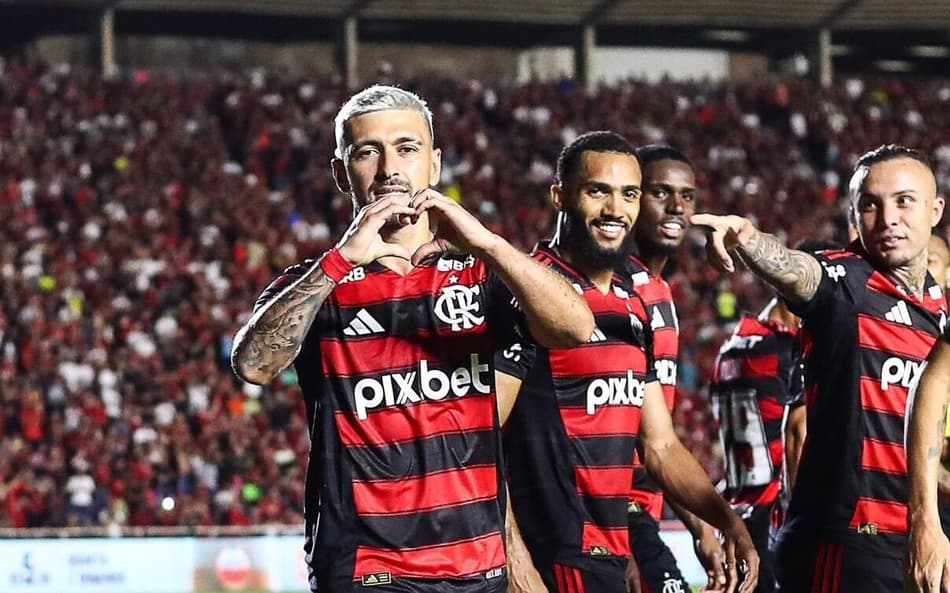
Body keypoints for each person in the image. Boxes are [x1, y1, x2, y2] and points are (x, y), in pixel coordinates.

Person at [230, 85, 595, 593]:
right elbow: (253, 366)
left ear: (435, 165)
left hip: (477, 567)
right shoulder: (317, 284)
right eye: (367, 152)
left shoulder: (482, 277)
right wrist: (339, 260)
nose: (389, 169)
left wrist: (486, 243)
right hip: (364, 570)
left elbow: (576, 328)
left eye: (406, 148)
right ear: (341, 174)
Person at [496, 131, 759, 593]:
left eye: (629, 194)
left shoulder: (633, 303)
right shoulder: (528, 291)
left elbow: (660, 446)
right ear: (560, 196)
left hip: (608, 548)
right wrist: (516, 565)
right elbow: (478, 439)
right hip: (552, 553)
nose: (616, 209)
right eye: (598, 191)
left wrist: (725, 521)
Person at [693, 144, 947, 592]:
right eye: (870, 204)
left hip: (920, 537)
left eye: (904, 201)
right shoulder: (842, 282)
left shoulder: (942, 314)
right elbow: (796, 270)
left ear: (935, 210)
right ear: (853, 214)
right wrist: (747, 238)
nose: (888, 218)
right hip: (847, 543)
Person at [623, 144, 724, 593]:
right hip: (607, 516)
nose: (676, 206)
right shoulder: (610, 288)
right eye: (659, 192)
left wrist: (700, 524)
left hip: (643, 507)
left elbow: (657, 437)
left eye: (687, 196)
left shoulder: (661, 292)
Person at [708, 240, 836, 593]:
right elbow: (797, 434)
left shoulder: (733, 345)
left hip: (735, 518)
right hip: (773, 523)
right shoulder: (790, 347)